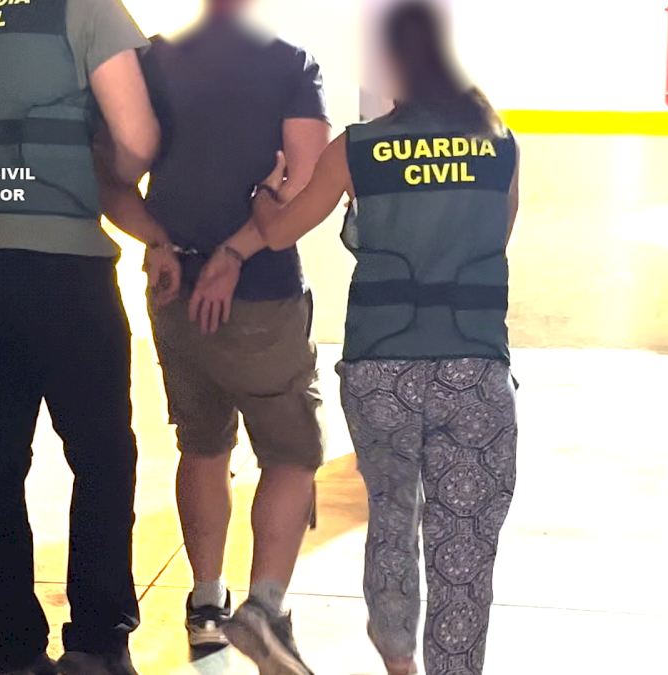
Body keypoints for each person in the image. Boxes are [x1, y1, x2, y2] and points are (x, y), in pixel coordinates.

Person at [237, 3, 521, 673]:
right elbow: (497, 236)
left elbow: (279, 231)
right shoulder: (500, 143)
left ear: (392, 63)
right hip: (473, 367)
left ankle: (399, 666)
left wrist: (263, 193)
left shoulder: (358, 148)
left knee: (392, 519)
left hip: (380, 369)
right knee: (463, 544)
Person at [95, 0, 329, 672]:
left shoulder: (149, 62)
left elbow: (109, 177)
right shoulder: (289, 65)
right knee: (291, 453)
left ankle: (205, 607)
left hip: (174, 290)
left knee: (201, 445)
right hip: (262, 295)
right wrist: (236, 252)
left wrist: (161, 242)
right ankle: (265, 611)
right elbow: (305, 182)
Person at [0, 0, 158, 673]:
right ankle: (96, 642)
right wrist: (107, 171)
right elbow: (137, 138)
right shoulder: (83, 7)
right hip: (64, 268)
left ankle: (12, 647)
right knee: (102, 454)